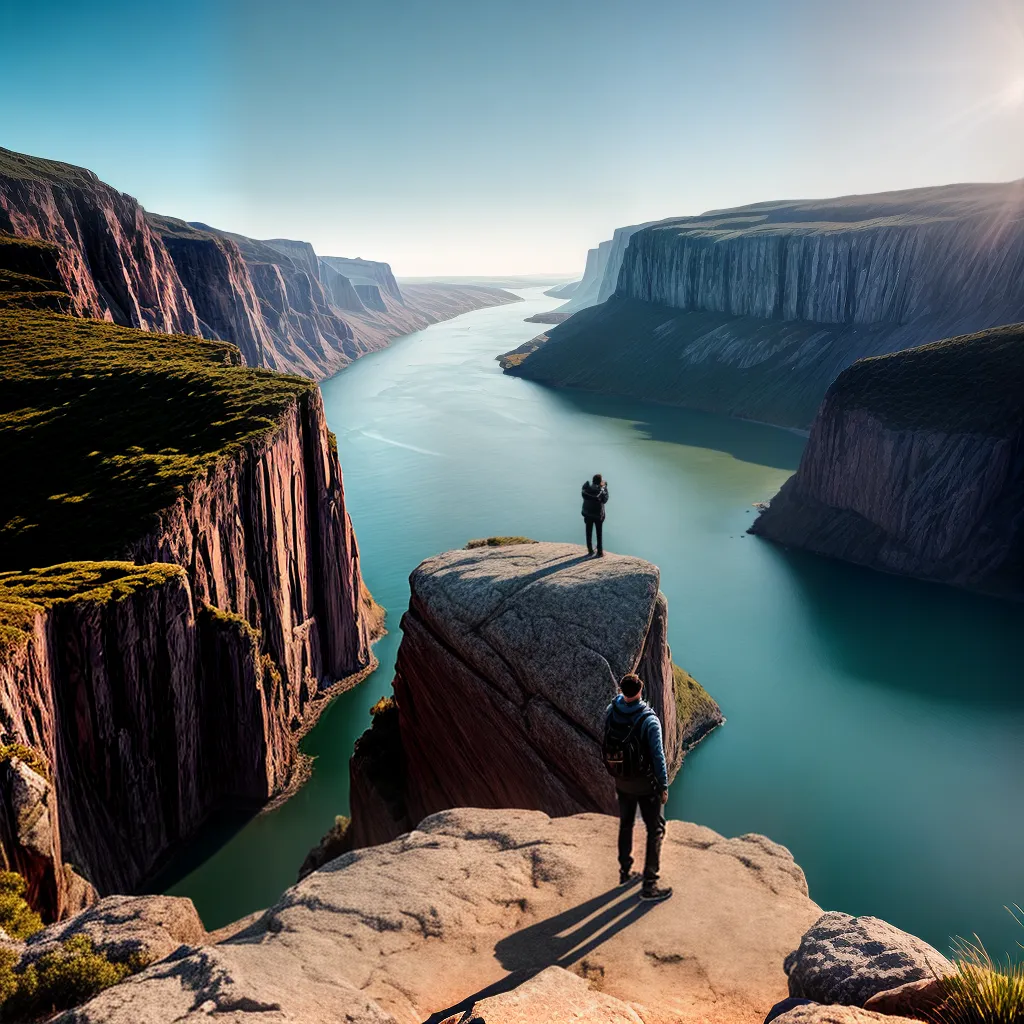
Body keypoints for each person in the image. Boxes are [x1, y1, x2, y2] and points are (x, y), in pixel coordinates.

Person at [604, 673, 673, 902]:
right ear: (640, 691)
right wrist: (663, 785)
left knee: (626, 825)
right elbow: (658, 756)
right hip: (646, 786)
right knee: (655, 831)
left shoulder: (611, 711)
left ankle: (625, 872)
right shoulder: (649, 720)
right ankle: (649, 885)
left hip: (622, 782)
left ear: (622, 691)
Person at [580, 473, 608, 556]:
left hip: (587, 514)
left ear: (593, 481)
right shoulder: (601, 491)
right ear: (600, 482)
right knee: (599, 533)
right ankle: (600, 552)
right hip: (598, 515)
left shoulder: (586, 489)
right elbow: (605, 500)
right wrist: (605, 488)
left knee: (588, 532)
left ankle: (590, 550)